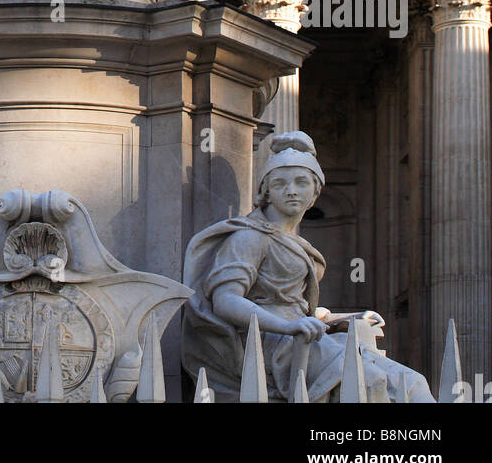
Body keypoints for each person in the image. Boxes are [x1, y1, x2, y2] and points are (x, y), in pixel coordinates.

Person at [182, 131, 435, 402]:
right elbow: (225, 300)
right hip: (271, 343)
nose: (291, 190)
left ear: (315, 191)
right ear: (266, 191)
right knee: (371, 382)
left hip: (301, 336)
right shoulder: (250, 236)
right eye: (280, 183)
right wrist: (286, 327)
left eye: (301, 182)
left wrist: (341, 319)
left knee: (413, 383)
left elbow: (297, 308)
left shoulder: (297, 244)